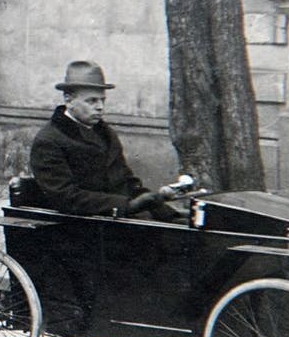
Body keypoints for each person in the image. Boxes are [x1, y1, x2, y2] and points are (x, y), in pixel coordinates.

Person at [28, 60, 183, 220]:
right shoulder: (49, 141)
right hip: (82, 227)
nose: (100, 107)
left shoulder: (106, 134)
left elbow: (126, 182)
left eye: (103, 100)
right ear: (68, 100)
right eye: (92, 101)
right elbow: (66, 197)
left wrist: (163, 209)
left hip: (115, 219)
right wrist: (128, 206)